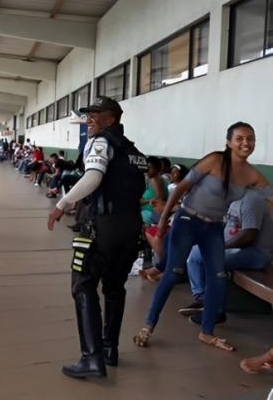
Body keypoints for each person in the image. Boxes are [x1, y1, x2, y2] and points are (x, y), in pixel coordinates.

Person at [133, 122, 270, 352]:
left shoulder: (252, 174)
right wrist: (165, 219)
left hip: (213, 228)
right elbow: (180, 188)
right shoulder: (214, 161)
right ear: (229, 142)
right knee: (172, 273)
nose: (245, 143)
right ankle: (148, 326)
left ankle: (207, 332)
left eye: (250, 139)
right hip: (188, 220)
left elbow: (271, 200)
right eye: (240, 138)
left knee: (217, 277)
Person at [47, 96, 148, 379]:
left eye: (95, 114)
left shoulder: (101, 141)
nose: (89, 119)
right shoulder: (133, 151)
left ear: (111, 119)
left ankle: (91, 358)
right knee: (115, 287)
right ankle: (109, 349)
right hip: (130, 228)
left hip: (101, 226)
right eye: (87, 114)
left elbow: (92, 177)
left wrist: (61, 205)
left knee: (83, 285)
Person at [178, 191, 273, 325]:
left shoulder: (253, 199)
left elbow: (249, 235)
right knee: (195, 252)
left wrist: (220, 246)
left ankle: (217, 311)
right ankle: (202, 299)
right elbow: (226, 226)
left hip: (257, 253)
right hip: (237, 248)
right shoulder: (233, 198)